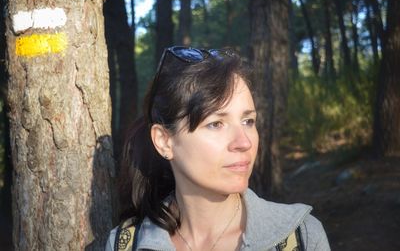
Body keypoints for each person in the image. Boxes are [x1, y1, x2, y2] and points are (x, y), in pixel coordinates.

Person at [106, 46, 330, 251]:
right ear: (164, 141)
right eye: (215, 124)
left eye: (248, 121)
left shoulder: (302, 238)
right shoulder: (123, 245)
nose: (244, 142)